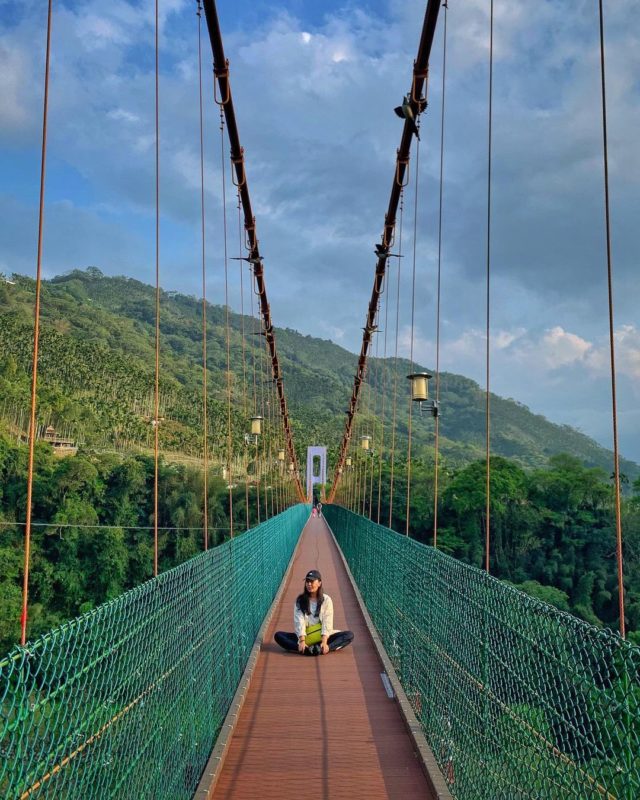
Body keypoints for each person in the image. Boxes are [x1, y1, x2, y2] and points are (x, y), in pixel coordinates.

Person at [274, 570, 354, 656]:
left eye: (312, 581)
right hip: (305, 637)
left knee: (349, 635)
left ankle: (323, 648)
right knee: (278, 636)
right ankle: (305, 649)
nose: (309, 584)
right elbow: (299, 621)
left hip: (323, 637)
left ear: (319, 583)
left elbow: (327, 621)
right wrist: (302, 641)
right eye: (307, 581)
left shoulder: (326, 600)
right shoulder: (300, 600)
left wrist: (324, 642)